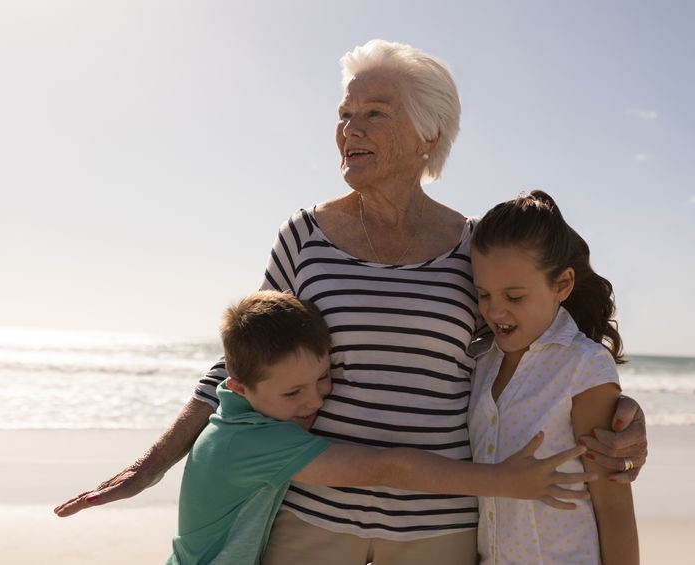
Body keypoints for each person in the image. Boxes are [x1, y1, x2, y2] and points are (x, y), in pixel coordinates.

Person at [55, 39, 648, 564]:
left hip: (439, 527)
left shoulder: (473, 247)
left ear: (428, 135)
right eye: (344, 114)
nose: (350, 129)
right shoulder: (304, 237)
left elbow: (536, 353)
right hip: (314, 516)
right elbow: (240, 365)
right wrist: (152, 465)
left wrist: (624, 417)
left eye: (374, 114)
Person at [169, 290, 595, 564]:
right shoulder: (252, 442)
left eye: (322, 379)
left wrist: (604, 392)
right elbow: (385, 468)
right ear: (237, 385)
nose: (315, 401)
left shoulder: (239, 420)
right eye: (293, 392)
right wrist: (503, 482)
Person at [469, 190, 639, 564]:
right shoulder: (479, 361)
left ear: (562, 285)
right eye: (483, 294)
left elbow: (613, 505)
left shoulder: (583, 366)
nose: (495, 310)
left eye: (514, 297)